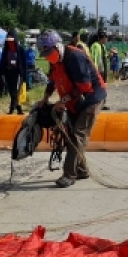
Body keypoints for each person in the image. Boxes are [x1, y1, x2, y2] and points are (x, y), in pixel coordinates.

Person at [35, 29, 106, 187]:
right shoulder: (54, 62)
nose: (46, 57)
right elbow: (52, 81)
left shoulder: (75, 57)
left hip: (91, 98)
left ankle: (69, 174)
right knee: (69, 133)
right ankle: (81, 170)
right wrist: (45, 98)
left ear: (57, 46)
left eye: (48, 52)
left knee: (77, 135)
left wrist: (63, 101)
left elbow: (85, 86)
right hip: (74, 100)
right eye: (44, 54)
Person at [0, 29, 28, 114]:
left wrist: (24, 76)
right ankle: (18, 109)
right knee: (12, 92)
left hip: (18, 73)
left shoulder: (20, 50)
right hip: (8, 73)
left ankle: (12, 109)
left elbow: (24, 64)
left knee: (16, 92)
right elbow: (2, 63)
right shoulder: (6, 50)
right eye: (8, 37)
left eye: (11, 37)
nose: (10, 39)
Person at [90, 31, 111, 109]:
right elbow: (94, 58)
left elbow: (104, 57)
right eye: (105, 38)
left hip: (103, 70)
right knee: (98, 88)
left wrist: (109, 55)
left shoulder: (103, 46)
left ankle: (102, 103)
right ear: (101, 38)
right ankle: (97, 103)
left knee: (103, 86)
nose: (106, 40)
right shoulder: (95, 46)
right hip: (98, 71)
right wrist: (95, 70)